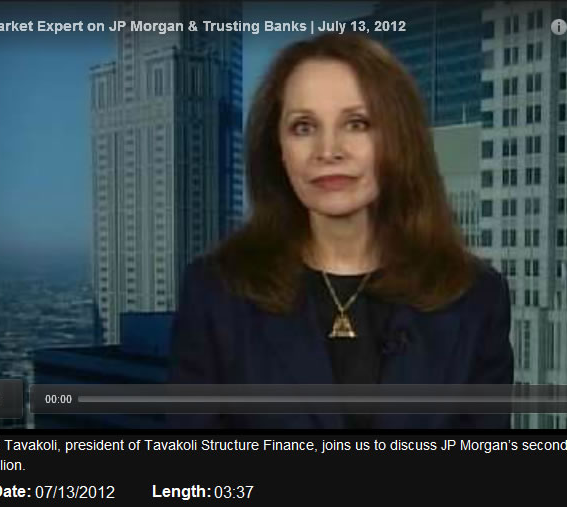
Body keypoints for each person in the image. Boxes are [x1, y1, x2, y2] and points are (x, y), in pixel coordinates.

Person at [168, 33, 513, 429]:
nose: (328, 150)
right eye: (303, 127)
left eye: (357, 124)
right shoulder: (215, 293)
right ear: (278, 149)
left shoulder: (475, 298)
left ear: (398, 140)